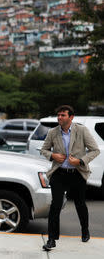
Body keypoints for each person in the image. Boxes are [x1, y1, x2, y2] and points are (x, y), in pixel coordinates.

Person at [41, 105, 100, 251]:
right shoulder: (53, 132)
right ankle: (51, 239)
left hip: (77, 173)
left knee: (80, 203)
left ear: (71, 117)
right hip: (59, 173)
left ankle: (85, 230)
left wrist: (80, 161)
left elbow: (95, 150)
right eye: (58, 115)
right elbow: (44, 150)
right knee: (55, 205)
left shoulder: (81, 130)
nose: (59, 118)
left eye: (63, 115)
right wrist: (53, 155)